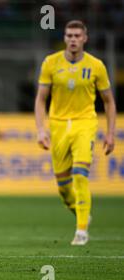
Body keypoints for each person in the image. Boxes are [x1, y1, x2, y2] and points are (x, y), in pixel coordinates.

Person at [34, 20, 117, 245]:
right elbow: (41, 99)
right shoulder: (51, 63)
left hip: (85, 123)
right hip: (58, 125)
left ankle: (81, 231)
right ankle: (82, 213)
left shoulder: (96, 66)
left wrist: (111, 133)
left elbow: (109, 102)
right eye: (69, 35)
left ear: (85, 39)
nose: (73, 39)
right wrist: (41, 130)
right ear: (64, 38)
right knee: (63, 189)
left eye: (77, 36)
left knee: (80, 175)